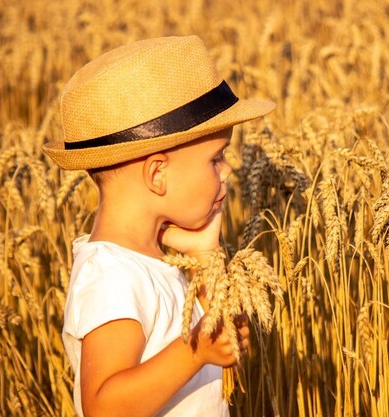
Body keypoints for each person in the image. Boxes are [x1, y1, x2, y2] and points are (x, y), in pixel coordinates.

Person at [42, 35, 275, 417]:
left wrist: (205, 256)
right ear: (158, 174)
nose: (229, 170)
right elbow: (104, 406)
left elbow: (207, 346)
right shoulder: (111, 274)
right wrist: (196, 351)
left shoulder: (157, 259)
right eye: (216, 159)